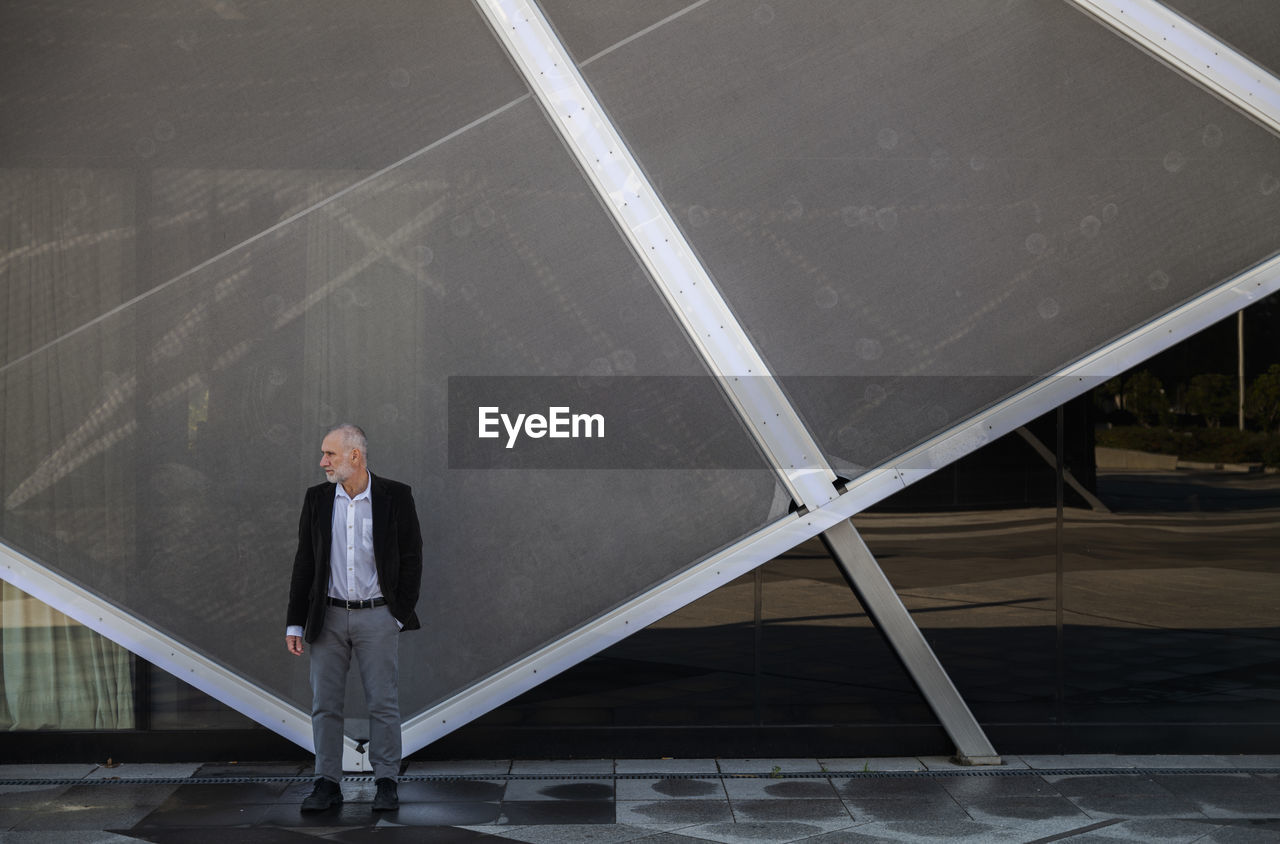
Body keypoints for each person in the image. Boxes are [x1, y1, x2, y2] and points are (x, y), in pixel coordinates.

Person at [286, 424, 422, 812]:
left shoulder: (395, 496)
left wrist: (398, 615)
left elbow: (412, 557)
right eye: (324, 454)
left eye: (330, 454)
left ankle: (386, 781)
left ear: (354, 457)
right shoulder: (317, 499)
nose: (323, 462)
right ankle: (327, 784)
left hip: (378, 616)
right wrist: (295, 622)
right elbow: (305, 563)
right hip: (326, 617)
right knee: (324, 704)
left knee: (383, 702)